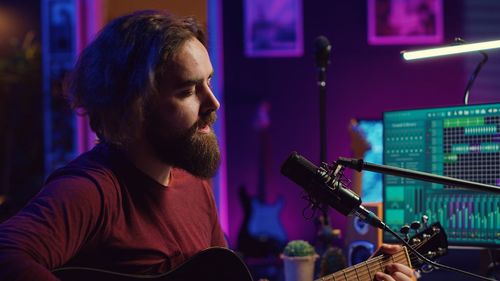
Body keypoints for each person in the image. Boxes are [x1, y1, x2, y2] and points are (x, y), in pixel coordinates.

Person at [0, 9, 416, 281]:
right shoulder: (92, 190)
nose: (212, 103)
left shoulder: (193, 183)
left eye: (209, 82)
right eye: (187, 91)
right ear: (133, 107)